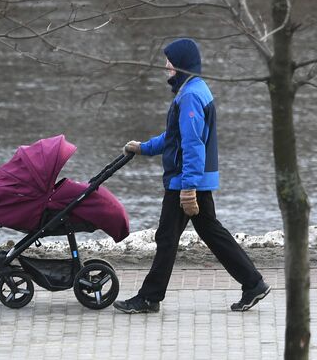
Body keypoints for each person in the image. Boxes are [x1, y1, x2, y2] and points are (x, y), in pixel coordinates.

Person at [114, 38, 270, 313]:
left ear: (182, 65)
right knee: (211, 232)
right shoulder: (195, 89)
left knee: (166, 237)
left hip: (184, 181)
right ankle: (253, 283)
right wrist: (145, 148)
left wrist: (188, 188)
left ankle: (150, 297)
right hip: (193, 178)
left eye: (170, 63)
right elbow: (177, 136)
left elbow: (193, 144)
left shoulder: (189, 96)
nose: (166, 67)